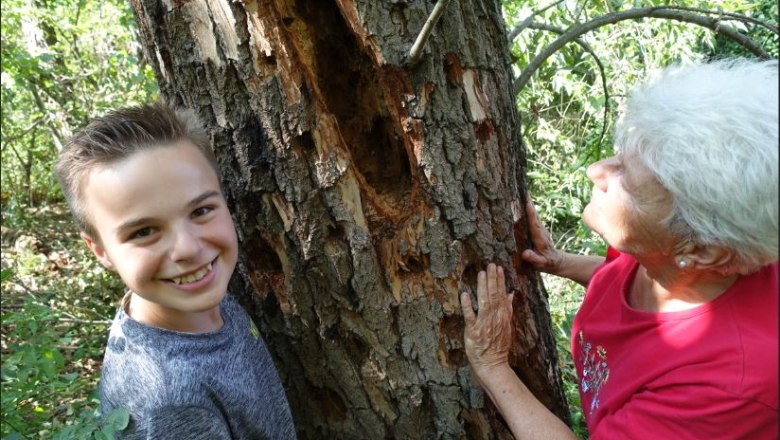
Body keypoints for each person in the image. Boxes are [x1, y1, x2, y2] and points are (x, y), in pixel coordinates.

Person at [461, 58, 778, 439]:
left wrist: (493, 367)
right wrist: (562, 263)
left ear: (702, 250)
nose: (597, 170)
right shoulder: (676, 256)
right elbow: (643, 282)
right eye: (621, 156)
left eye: (627, 178)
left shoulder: (726, 385)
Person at [54, 103, 297, 439]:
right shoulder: (170, 407)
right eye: (143, 232)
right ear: (100, 250)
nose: (188, 248)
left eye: (201, 210)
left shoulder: (190, 296)